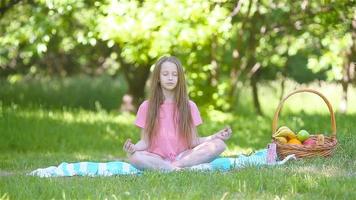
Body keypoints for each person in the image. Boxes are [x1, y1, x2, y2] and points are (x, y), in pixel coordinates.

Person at [123, 56, 232, 171]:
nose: (170, 78)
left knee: (219, 144)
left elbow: (193, 141)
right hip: (155, 157)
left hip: (183, 156)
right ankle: (173, 168)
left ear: (180, 78)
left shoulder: (189, 106)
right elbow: (145, 142)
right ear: (158, 78)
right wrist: (133, 148)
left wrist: (215, 136)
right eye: (165, 74)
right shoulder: (146, 106)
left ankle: (173, 167)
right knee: (133, 157)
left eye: (175, 75)